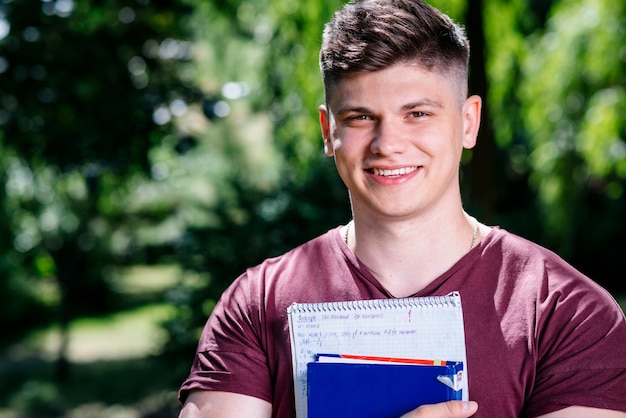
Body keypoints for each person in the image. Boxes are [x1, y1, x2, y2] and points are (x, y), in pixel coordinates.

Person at [177, 0, 626, 417]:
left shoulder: (569, 313)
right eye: (360, 117)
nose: (388, 144)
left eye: (418, 114)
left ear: (468, 122)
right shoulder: (257, 303)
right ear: (327, 129)